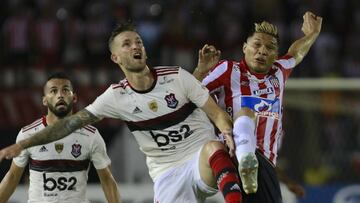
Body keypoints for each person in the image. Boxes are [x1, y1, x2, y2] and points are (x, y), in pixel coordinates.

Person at [0, 24, 243, 203]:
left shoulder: (177, 76)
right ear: (115, 57)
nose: (136, 46)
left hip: (200, 159)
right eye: (127, 44)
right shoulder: (115, 97)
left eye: (138, 41)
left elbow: (217, 114)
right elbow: (70, 124)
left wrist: (227, 133)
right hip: (167, 174)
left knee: (214, 147)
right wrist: (26, 144)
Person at [194, 11, 322, 202]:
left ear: (276, 54)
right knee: (245, 115)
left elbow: (296, 53)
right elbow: (191, 93)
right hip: (230, 157)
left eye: (270, 47)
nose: (262, 51)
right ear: (244, 47)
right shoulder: (228, 70)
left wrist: (312, 35)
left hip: (265, 166)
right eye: (257, 45)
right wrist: (200, 71)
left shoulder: (279, 72)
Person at [0, 73, 121, 203]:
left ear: (74, 97)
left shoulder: (91, 136)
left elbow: (107, 180)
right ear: (44, 100)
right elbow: (12, 177)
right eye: (53, 91)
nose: (60, 95)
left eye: (65, 90)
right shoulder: (28, 134)